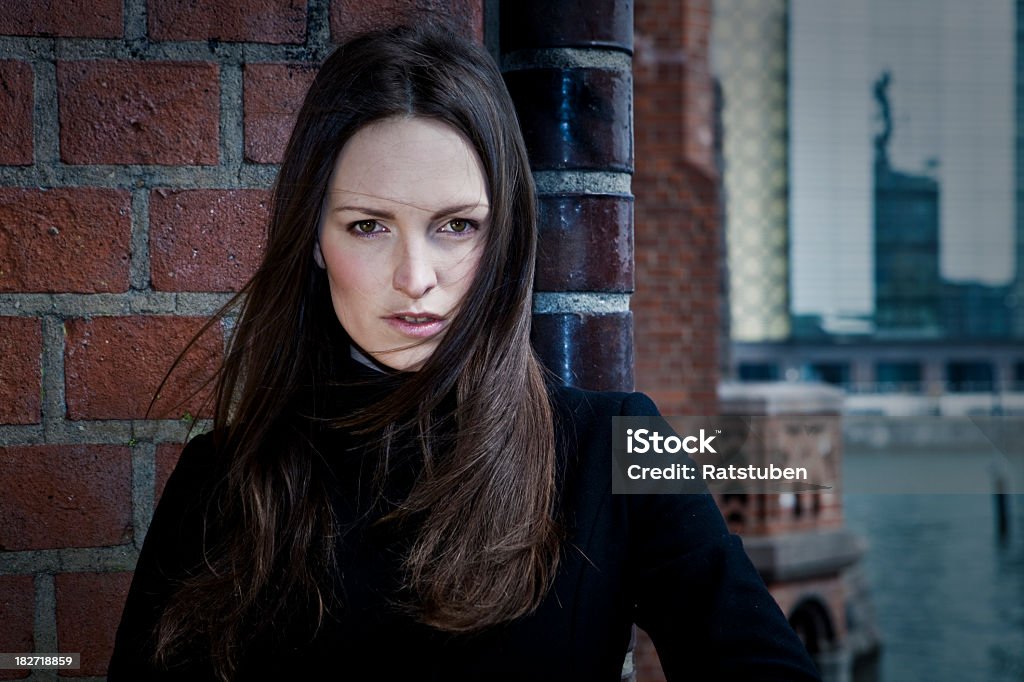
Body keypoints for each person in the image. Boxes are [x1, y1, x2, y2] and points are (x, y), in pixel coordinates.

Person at [108, 23, 821, 682]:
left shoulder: (614, 446)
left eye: (455, 225)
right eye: (367, 226)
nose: (416, 279)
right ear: (315, 242)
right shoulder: (223, 481)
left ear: (503, 235)